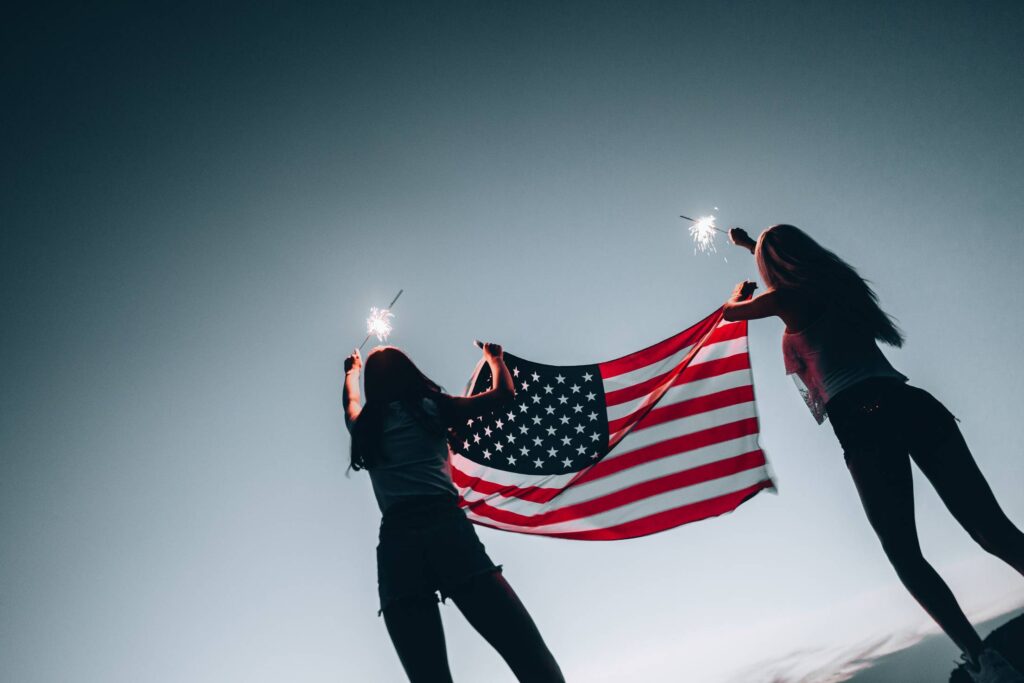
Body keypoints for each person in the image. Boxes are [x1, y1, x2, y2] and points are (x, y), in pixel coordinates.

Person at [724, 224, 1024, 683]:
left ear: (771, 267)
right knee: (990, 527)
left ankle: (985, 661)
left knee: (904, 554)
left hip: (865, 423)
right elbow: (785, 265)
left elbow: (732, 313)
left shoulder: (784, 299)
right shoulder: (836, 285)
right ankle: (986, 659)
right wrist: (752, 247)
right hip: (913, 404)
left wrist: (740, 288)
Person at [343, 343, 564, 683]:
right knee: (525, 651)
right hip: (446, 530)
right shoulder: (431, 409)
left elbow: (352, 404)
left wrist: (351, 373)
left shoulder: (366, 428)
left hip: (397, 545)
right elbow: (503, 394)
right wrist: (496, 360)